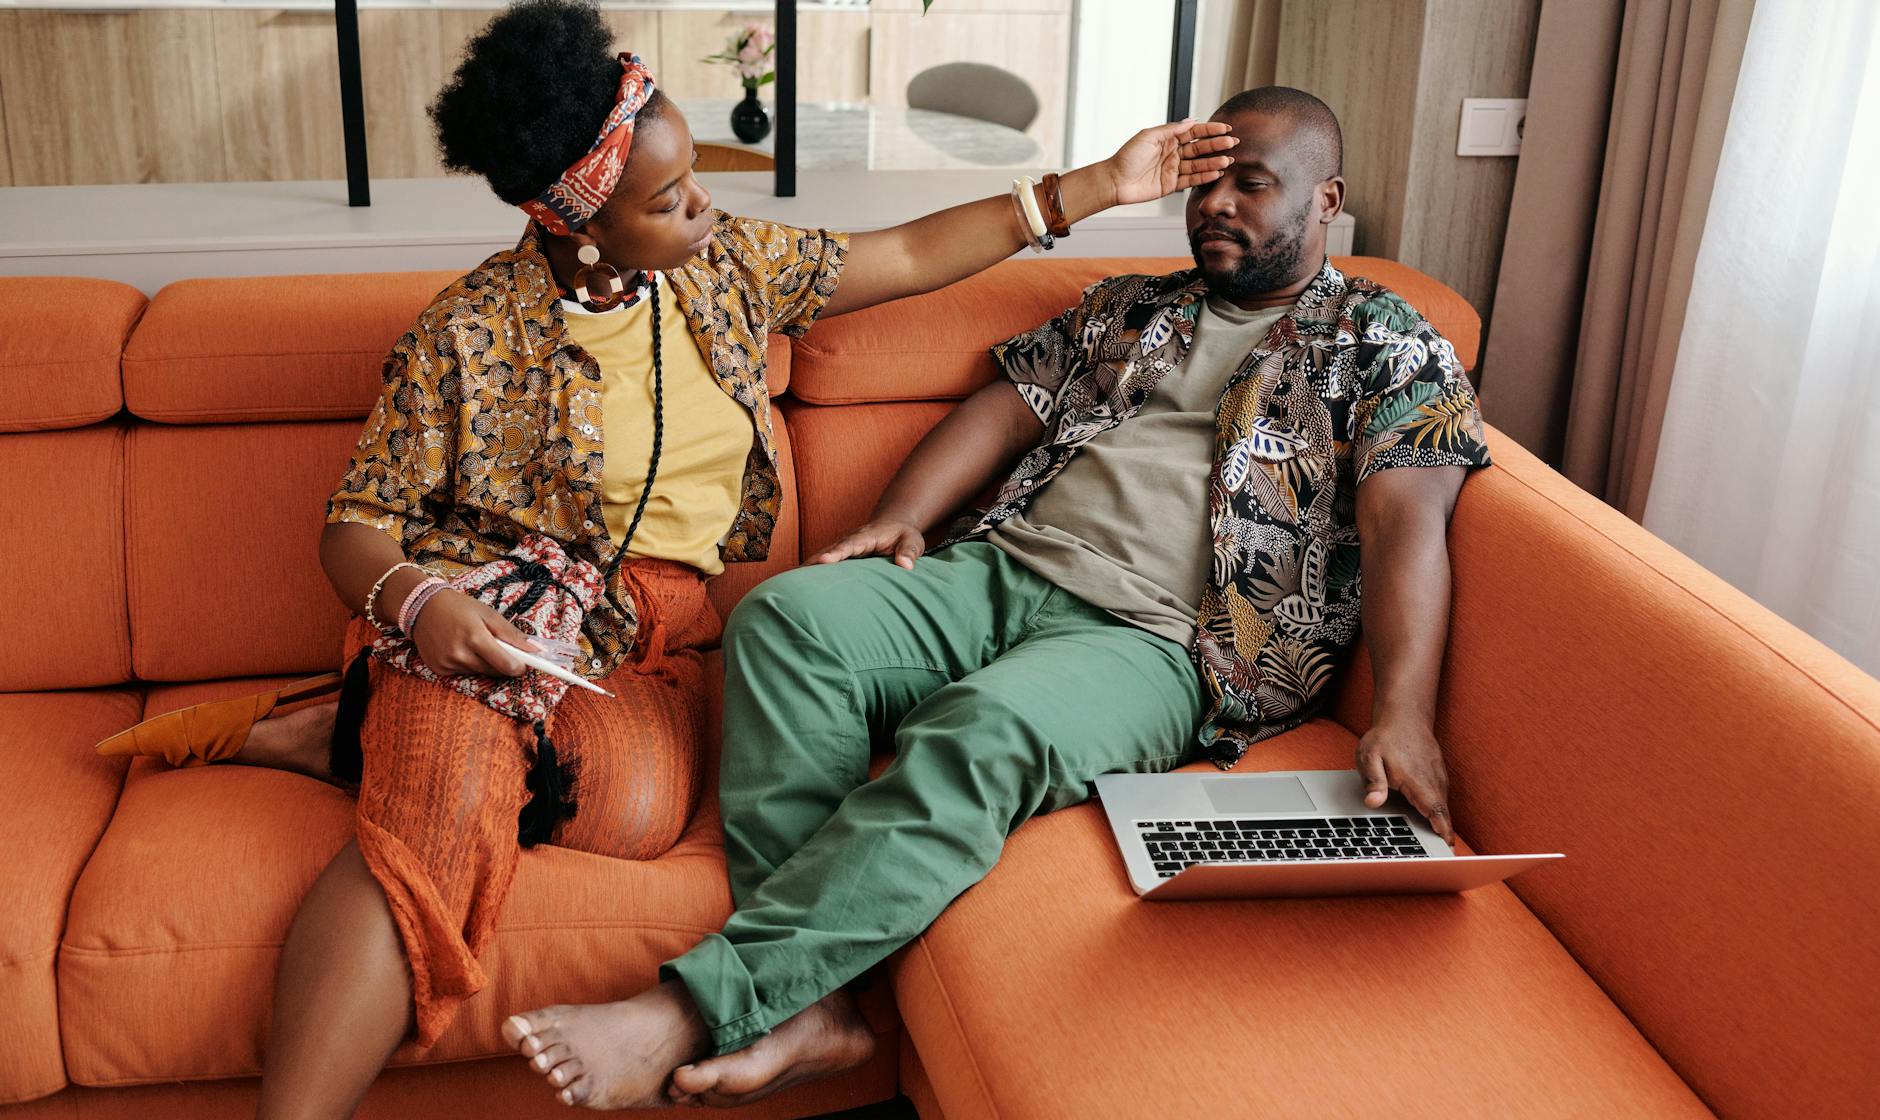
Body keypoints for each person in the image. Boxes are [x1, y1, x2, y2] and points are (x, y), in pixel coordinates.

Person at [90, 1, 1234, 1116]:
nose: (700, 208)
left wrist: (1096, 185)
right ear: (577, 222)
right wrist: (422, 605)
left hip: (647, 643)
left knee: (639, 806)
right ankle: (397, 744)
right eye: (666, 199)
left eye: (695, 180)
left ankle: (339, 727)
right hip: (486, 614)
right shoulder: (466, 336)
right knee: (446, 798)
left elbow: (909, 250)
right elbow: (357, 522)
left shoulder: (723, 269)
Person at [494, 84, 1492, 1110]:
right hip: (1002, 567)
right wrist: (902, 515)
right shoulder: (1132, 307)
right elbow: (1003, 410)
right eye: (1204, 182)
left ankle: (700, 1004)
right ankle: (816, 1007)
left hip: (1155, 640)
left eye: (1251, 184)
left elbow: (1402, 524)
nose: (1217, 206)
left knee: (981, 732)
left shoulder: (1387, 341)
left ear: (1324, 199)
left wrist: (1402, 709)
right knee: (787, 621)